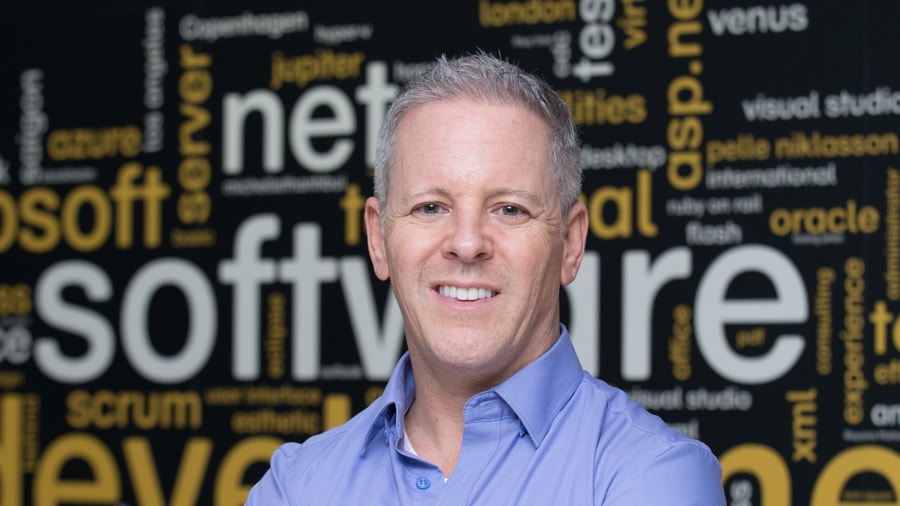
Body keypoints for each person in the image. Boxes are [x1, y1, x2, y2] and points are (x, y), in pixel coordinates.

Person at [245, 51, 725, 505]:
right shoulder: (296, 484)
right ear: (378, 239)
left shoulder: (655, 474)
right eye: (430, 207)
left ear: (571, 244)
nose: (467, 243)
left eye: (510, 209)